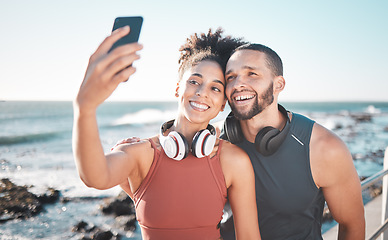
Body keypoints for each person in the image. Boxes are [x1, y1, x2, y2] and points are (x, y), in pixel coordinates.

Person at [72, 26, 261, 240]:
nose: (201, 93)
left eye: (215, 88)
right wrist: (85, 109)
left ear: (222, 105)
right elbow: (95, 177)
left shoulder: (234, 161)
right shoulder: (139, 153)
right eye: (194, 81)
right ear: (178, 88)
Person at [219, 43, 365, 239]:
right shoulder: (213, 140)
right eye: (231, 77)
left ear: (279, 84)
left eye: (252, 74)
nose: (237, 84)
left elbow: (352, 224)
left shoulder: (324, 148)